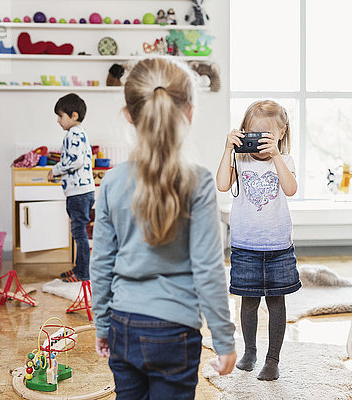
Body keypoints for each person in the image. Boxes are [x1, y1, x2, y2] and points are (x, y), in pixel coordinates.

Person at [90, 58, 236, 399]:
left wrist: (102, 322)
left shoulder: (111, 181)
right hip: (177, 330)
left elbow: (101, 264)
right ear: (189, 113)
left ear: (128, 113)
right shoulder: (198, 182)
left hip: (123, 323)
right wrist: (224, 338)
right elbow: (209, 269)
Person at [216, 100, 301, 381]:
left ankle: (272, 359)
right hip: (245, 245)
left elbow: (290, 189)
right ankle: (249, 351)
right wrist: (228, 149)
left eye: (266, 136)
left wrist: (276, 156)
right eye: (251, 134)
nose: (258, 142)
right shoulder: (240, 159)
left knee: (277, 302)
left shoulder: (284, 160)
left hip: (278, 246)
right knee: (248, 302)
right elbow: (222, 185)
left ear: (281, 133)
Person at [47, 93, 95, 282]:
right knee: (79, 232)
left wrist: (55, 170)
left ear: (73, 115)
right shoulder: (80, 133)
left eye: (61, 116)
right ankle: (79, 268)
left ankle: (83, 273)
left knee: (79, 233)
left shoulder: (73, 133)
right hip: (82, 191)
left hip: (79, 194)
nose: (59, 121)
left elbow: (74, 161)